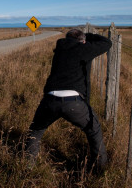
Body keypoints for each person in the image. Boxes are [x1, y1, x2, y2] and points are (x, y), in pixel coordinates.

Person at [25, 28, 112, 172]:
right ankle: (99, 169)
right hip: (74, 102)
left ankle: (28, 166)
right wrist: (88, 36)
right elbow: (107, 42)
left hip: (50, 100)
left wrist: (80, 38)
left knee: (35, 132)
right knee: (94, 130)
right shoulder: (83, 49)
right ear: (82, 41)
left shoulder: (59, 48)